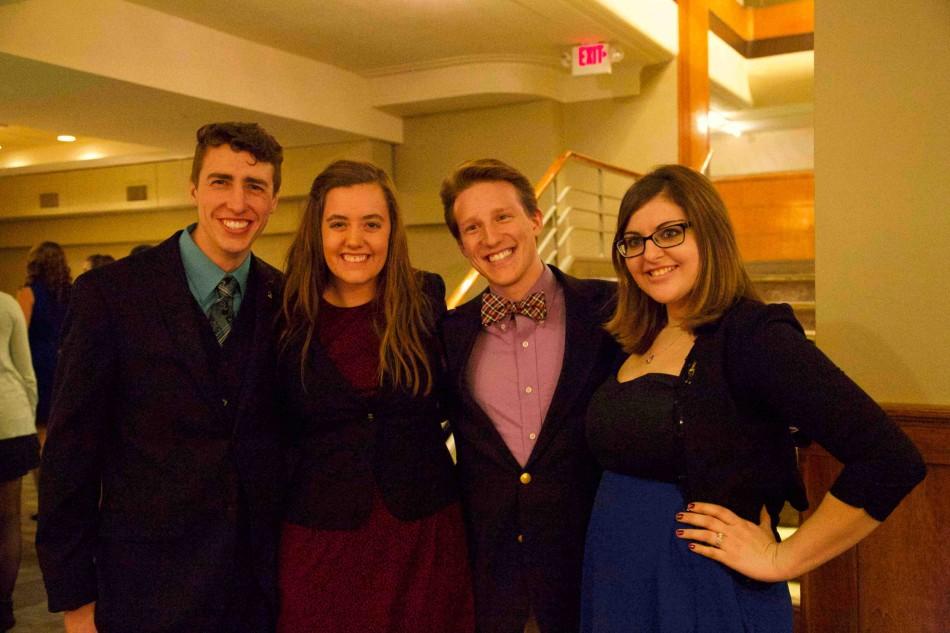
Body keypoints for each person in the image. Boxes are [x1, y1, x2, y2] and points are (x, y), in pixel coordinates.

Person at [580, 164, 926, 632]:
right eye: (634, 241)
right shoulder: (634, 337)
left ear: (710, 234)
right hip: (619, 581)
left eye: (669, 232)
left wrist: (782, 558)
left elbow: (890, 459)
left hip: (703, 590)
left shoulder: (753, 336)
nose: (650, 253)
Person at [37, 122, 286, 633]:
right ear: (193, 188)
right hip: (144, 588)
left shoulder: (286, 299)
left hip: (255, 591)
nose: (237, 203)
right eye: (221, 182)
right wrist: (75, 600)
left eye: (255, 186)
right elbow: (70, 454)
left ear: (274, 200)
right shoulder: (110, 295)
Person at [276, 160, 474, 633]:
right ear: (316, 231)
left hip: (423, 534)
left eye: (372, 224)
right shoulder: (283, 310)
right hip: (320, 539)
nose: (355, 240)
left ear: (391, 230)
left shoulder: (425, 296)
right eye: (338, 224)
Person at [439, 159, 617, 633]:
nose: (490, 237)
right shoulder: (449, 334)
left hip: (595, 561)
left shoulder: (610, 311)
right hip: (492, 575)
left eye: (502, 217)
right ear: (461, 244)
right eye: (472, 227)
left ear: (535, 219)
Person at [0, 291, 39, 632]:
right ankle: (3, 607)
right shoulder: (6, 304)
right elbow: (26, 372)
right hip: (9, 420)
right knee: (8, 519)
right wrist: (30, 414)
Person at [16, 241, 71, 444]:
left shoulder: (28, 293)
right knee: (60, 424)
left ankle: (44, 473)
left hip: (38, 363)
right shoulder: (72, 292)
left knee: (40, 427)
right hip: (65, 361)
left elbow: (21, 332)